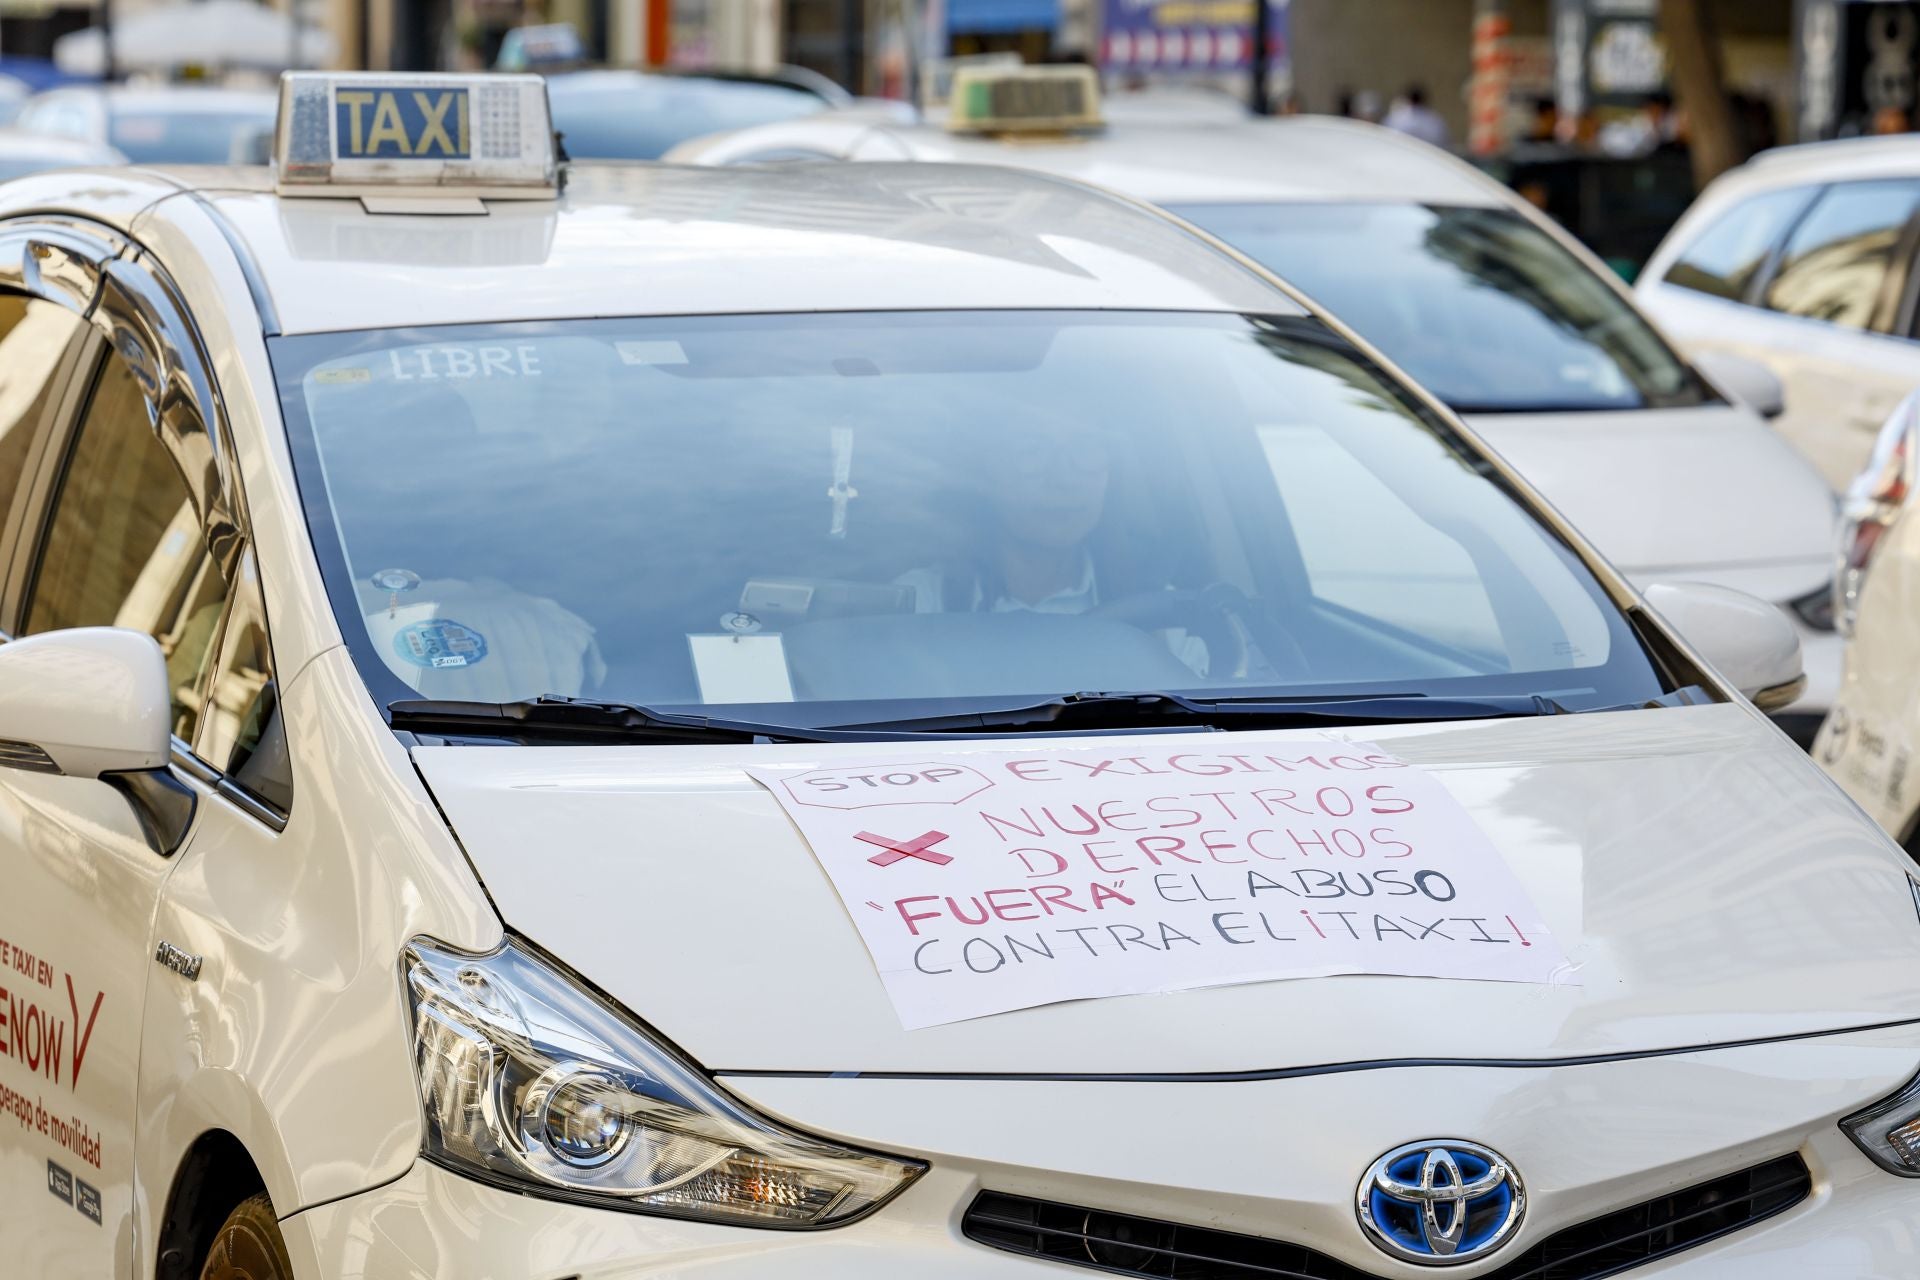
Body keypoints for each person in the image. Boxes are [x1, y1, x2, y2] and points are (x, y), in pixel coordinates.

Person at [897, 413, 1211, 673]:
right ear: (985, 472)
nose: (1063, 476)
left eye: (1086, 448)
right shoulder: (917, 606)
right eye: (1032, 449)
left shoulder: (1170, 617)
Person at [1382, 84, 1448, 147]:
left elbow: (1386, 137)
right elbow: (1443, 140)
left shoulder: (1397, 118)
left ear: (1408, 99)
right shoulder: (1434, 120)